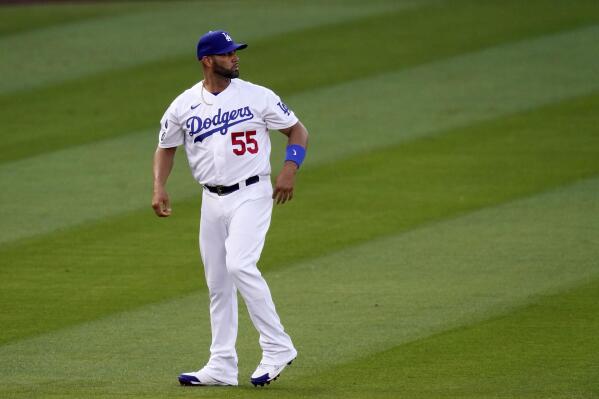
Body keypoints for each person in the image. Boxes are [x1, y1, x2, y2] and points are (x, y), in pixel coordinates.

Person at [151, 30, 309, 387]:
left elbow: (298, 131)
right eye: (227, 53)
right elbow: (165, 147)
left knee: (239, 264)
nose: (235, 57)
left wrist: (289, 168)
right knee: (218, 283)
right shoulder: (183, 104)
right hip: (211, 200)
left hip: (252, 193)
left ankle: (277, 345)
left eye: (235, 52)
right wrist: (159, 186)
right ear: (208, 61)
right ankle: (222, 364)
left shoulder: (257, 96)